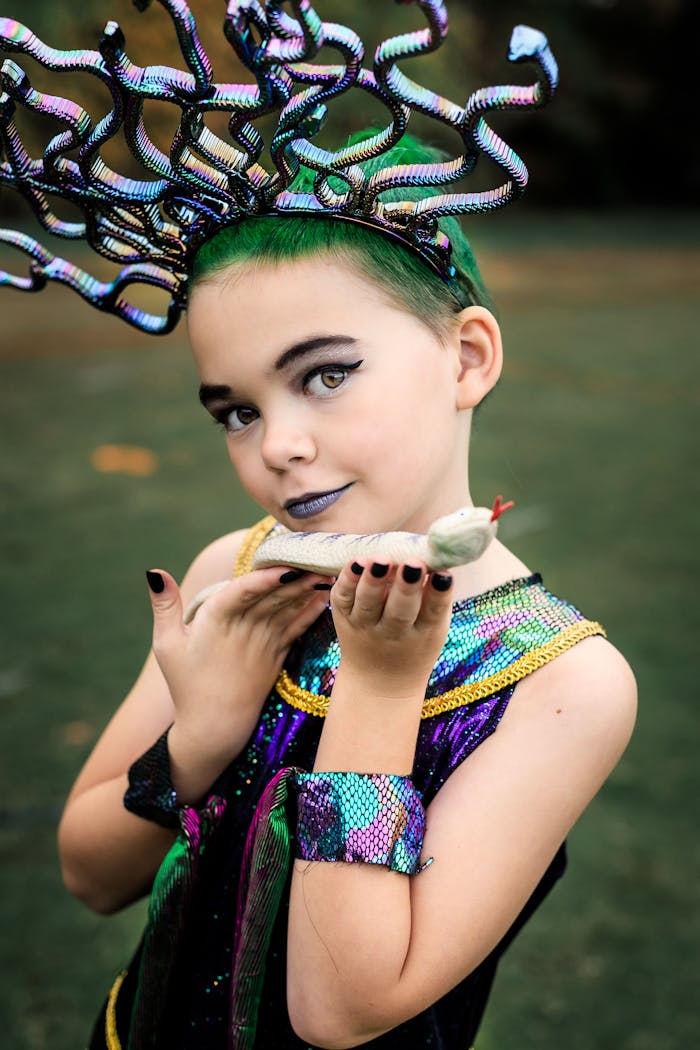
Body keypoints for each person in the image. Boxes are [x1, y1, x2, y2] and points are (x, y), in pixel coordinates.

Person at [0, 4, 636, 1047]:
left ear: (467, 357)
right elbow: (88, 874)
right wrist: (199, 736)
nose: (276, 446)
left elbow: (341, 1012)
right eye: (236, 410)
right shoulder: (237, 571)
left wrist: (380, 693)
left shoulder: (564, 684)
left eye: (325, 375)